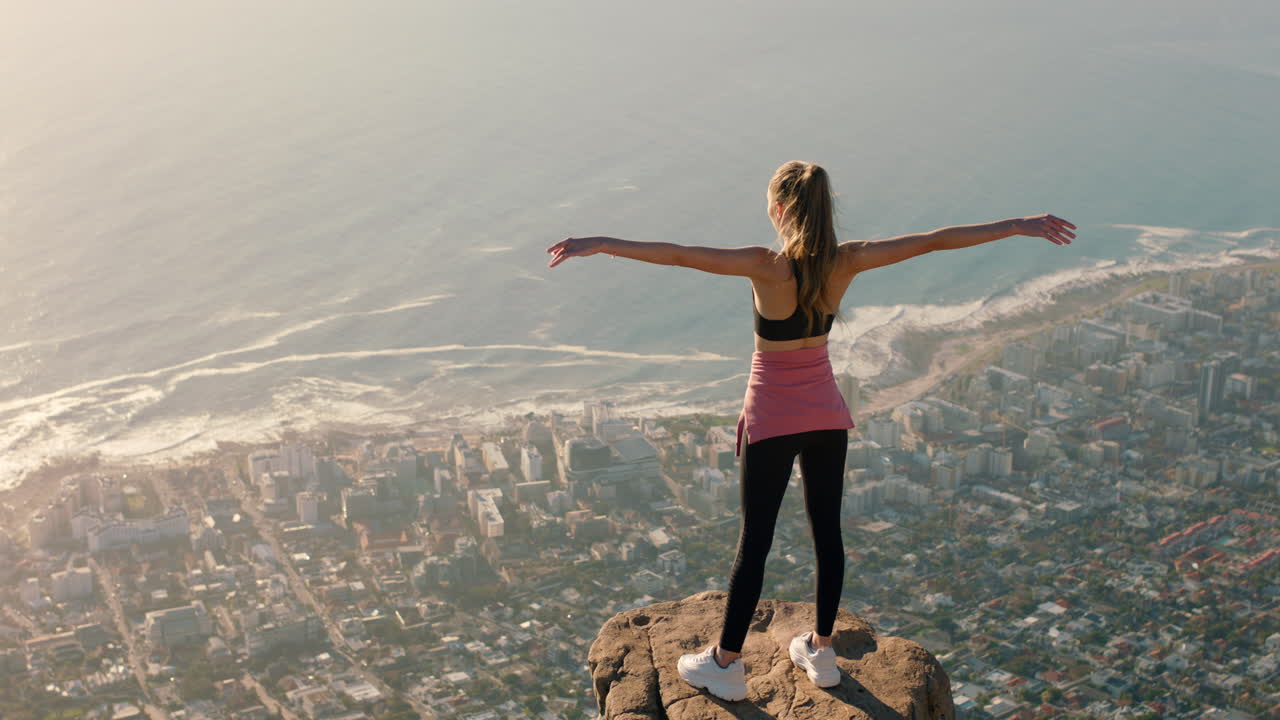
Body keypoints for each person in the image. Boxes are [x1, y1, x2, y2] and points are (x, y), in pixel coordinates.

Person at [546, 161, 1075, 702]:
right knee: (828, 532)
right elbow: (934, 242)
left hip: (773, 419)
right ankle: (821, 650)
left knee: (755, 542)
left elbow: (680, 255)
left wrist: (603, 242)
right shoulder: (846, 261)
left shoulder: (765, 266)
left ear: (778, 209)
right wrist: (1016, 225)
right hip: (826, 413)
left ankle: (726, 663)